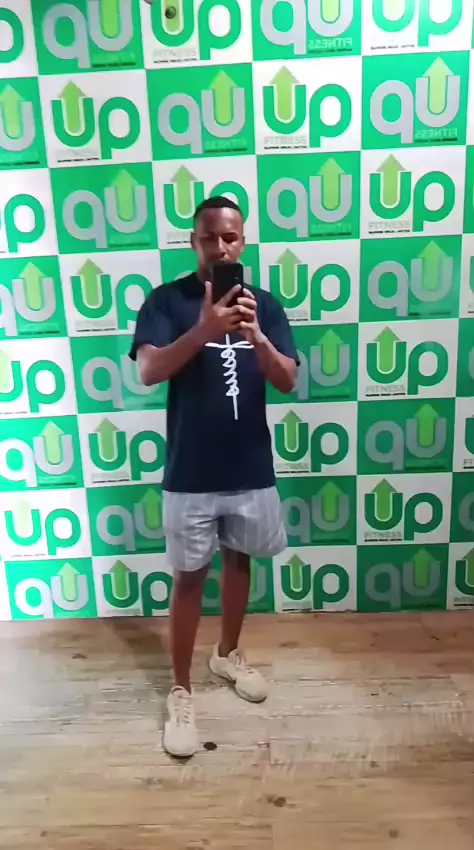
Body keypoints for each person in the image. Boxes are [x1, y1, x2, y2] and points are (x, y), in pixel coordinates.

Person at [129, 196, 299, 758]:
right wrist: (203, 330)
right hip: (190, 472)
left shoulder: (264, 306)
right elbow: (149, 370)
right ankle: (180, 690)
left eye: (231, 237)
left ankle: (226, 655)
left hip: (250, 467)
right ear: (194, 241)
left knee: (240, 563)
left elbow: (287, 380)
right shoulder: (166, 301)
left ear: (243, 241)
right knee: (189, 579)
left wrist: (256, 337)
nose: (221, 247)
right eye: (210, 237)